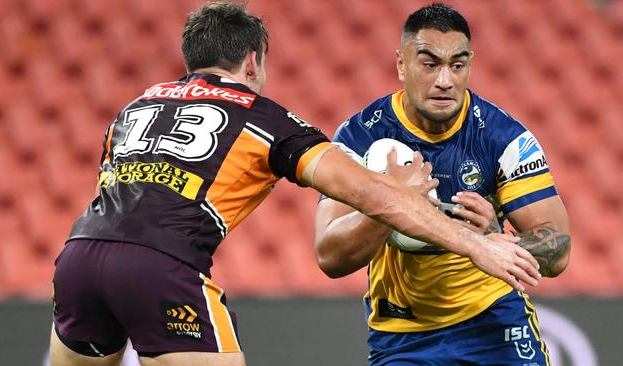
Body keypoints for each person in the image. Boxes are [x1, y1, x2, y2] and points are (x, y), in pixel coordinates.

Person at [48, 3, 542, 366]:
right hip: (160, 264)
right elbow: (370, 193)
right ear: (253, 64)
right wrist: (472, 243)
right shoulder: (265, 118)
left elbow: (112, 188)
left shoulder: (137, 105)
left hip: (78, 255)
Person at [314, 3, 571, 365]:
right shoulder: (360, 138)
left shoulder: (503, 138)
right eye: (429, 63)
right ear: (402, 65)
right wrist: (390, 204)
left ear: (470, 66)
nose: (445, 80)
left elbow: (559, 249)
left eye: (458, 65)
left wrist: (499, 237)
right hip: (404, 336)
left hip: (493, 322)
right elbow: (329, 255)